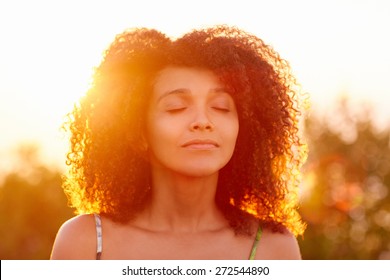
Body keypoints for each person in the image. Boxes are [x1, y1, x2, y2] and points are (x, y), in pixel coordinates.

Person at [51, 25, 308, 260]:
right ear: (137, 133)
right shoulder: (85, 242)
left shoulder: (274, 248)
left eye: (220, 107)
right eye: (176, 107)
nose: (203, 121)